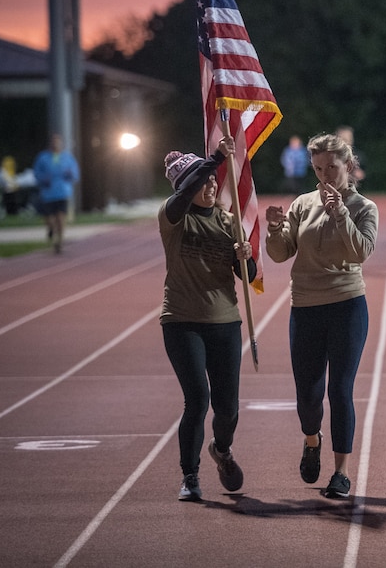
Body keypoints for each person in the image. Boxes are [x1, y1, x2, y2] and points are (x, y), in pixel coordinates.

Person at [265, 133, 377, 499]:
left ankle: (341, 472)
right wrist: (275, 230)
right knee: (308, 394)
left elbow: (360, 252)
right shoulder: (303, 203)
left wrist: (340, 211)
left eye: (332, 167)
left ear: (348, 165)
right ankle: (311, 439)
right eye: (318, 168)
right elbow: (281, 254)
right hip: (306, 307)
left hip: (347, 305)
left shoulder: (363, 207)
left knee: (340, 390)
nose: (326, 175)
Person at [158, 137, 254, 502]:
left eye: (215, 181)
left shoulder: (229, 222)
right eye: (203, 181)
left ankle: (222, 450)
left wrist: (246, 257)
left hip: (225, 321)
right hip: (181, 321)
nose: (212, 185)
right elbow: (182, 196)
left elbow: (247, 276)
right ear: (187, 186)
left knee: (228, 407)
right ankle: (190, 475)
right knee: (197, 399)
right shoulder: (173, 216)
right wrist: (215, 158)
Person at [32, 133, 79, 254]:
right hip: (48, 193)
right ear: (50, 143)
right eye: (54, 142)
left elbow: (75, 174)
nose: (56, 144)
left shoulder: (67, 158)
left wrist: (70, 174)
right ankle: (51, 229)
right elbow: (36, 173)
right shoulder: (43, 157)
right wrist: (43, 179)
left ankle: (59, 242)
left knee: (60, 218)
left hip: (62, 192)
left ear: (61, 143)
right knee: (50, 219)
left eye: (58, 142)